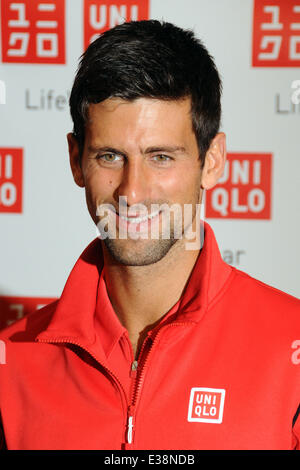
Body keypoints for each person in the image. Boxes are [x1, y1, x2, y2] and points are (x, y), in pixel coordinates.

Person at [0, 19, 299, 451]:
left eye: (160, 157)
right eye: (109, 156)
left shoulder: (292, 349)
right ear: (76, 160)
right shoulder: (13, 362)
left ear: (212, 161)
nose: (132, 191)